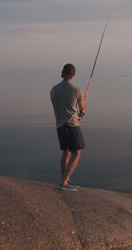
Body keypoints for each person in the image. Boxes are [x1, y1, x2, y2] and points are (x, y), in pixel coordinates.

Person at [50, 63, 86, 191]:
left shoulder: (54, 89)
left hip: (60, 126)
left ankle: (63, 178)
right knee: (76, 154)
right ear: (73, 74)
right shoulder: (76, 90)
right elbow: (82, 108)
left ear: (62, 73)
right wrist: (81, 114)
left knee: (66, 152)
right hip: (72, 126)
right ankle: (64, 183)